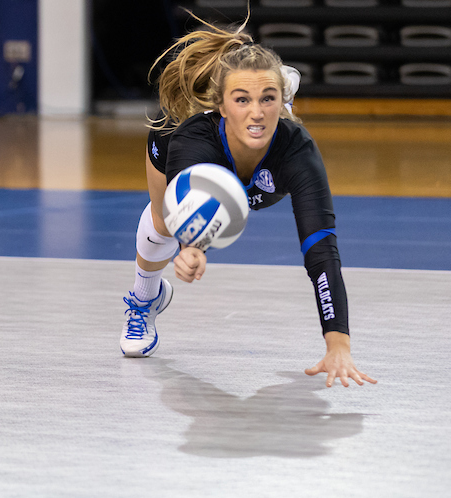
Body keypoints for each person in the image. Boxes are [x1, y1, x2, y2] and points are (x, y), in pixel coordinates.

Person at [119, 20, 376, 389]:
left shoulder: (297, 152)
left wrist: (338, 344)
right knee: (162, 226)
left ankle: (264, 87)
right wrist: (191, 248)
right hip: (180, 147)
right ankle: (145, 298)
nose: (256, 112)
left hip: (262, 168)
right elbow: (187, 211)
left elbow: (321, 252)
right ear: (221, 106)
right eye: (242, 100)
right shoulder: (191, 137)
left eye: (267, 99)